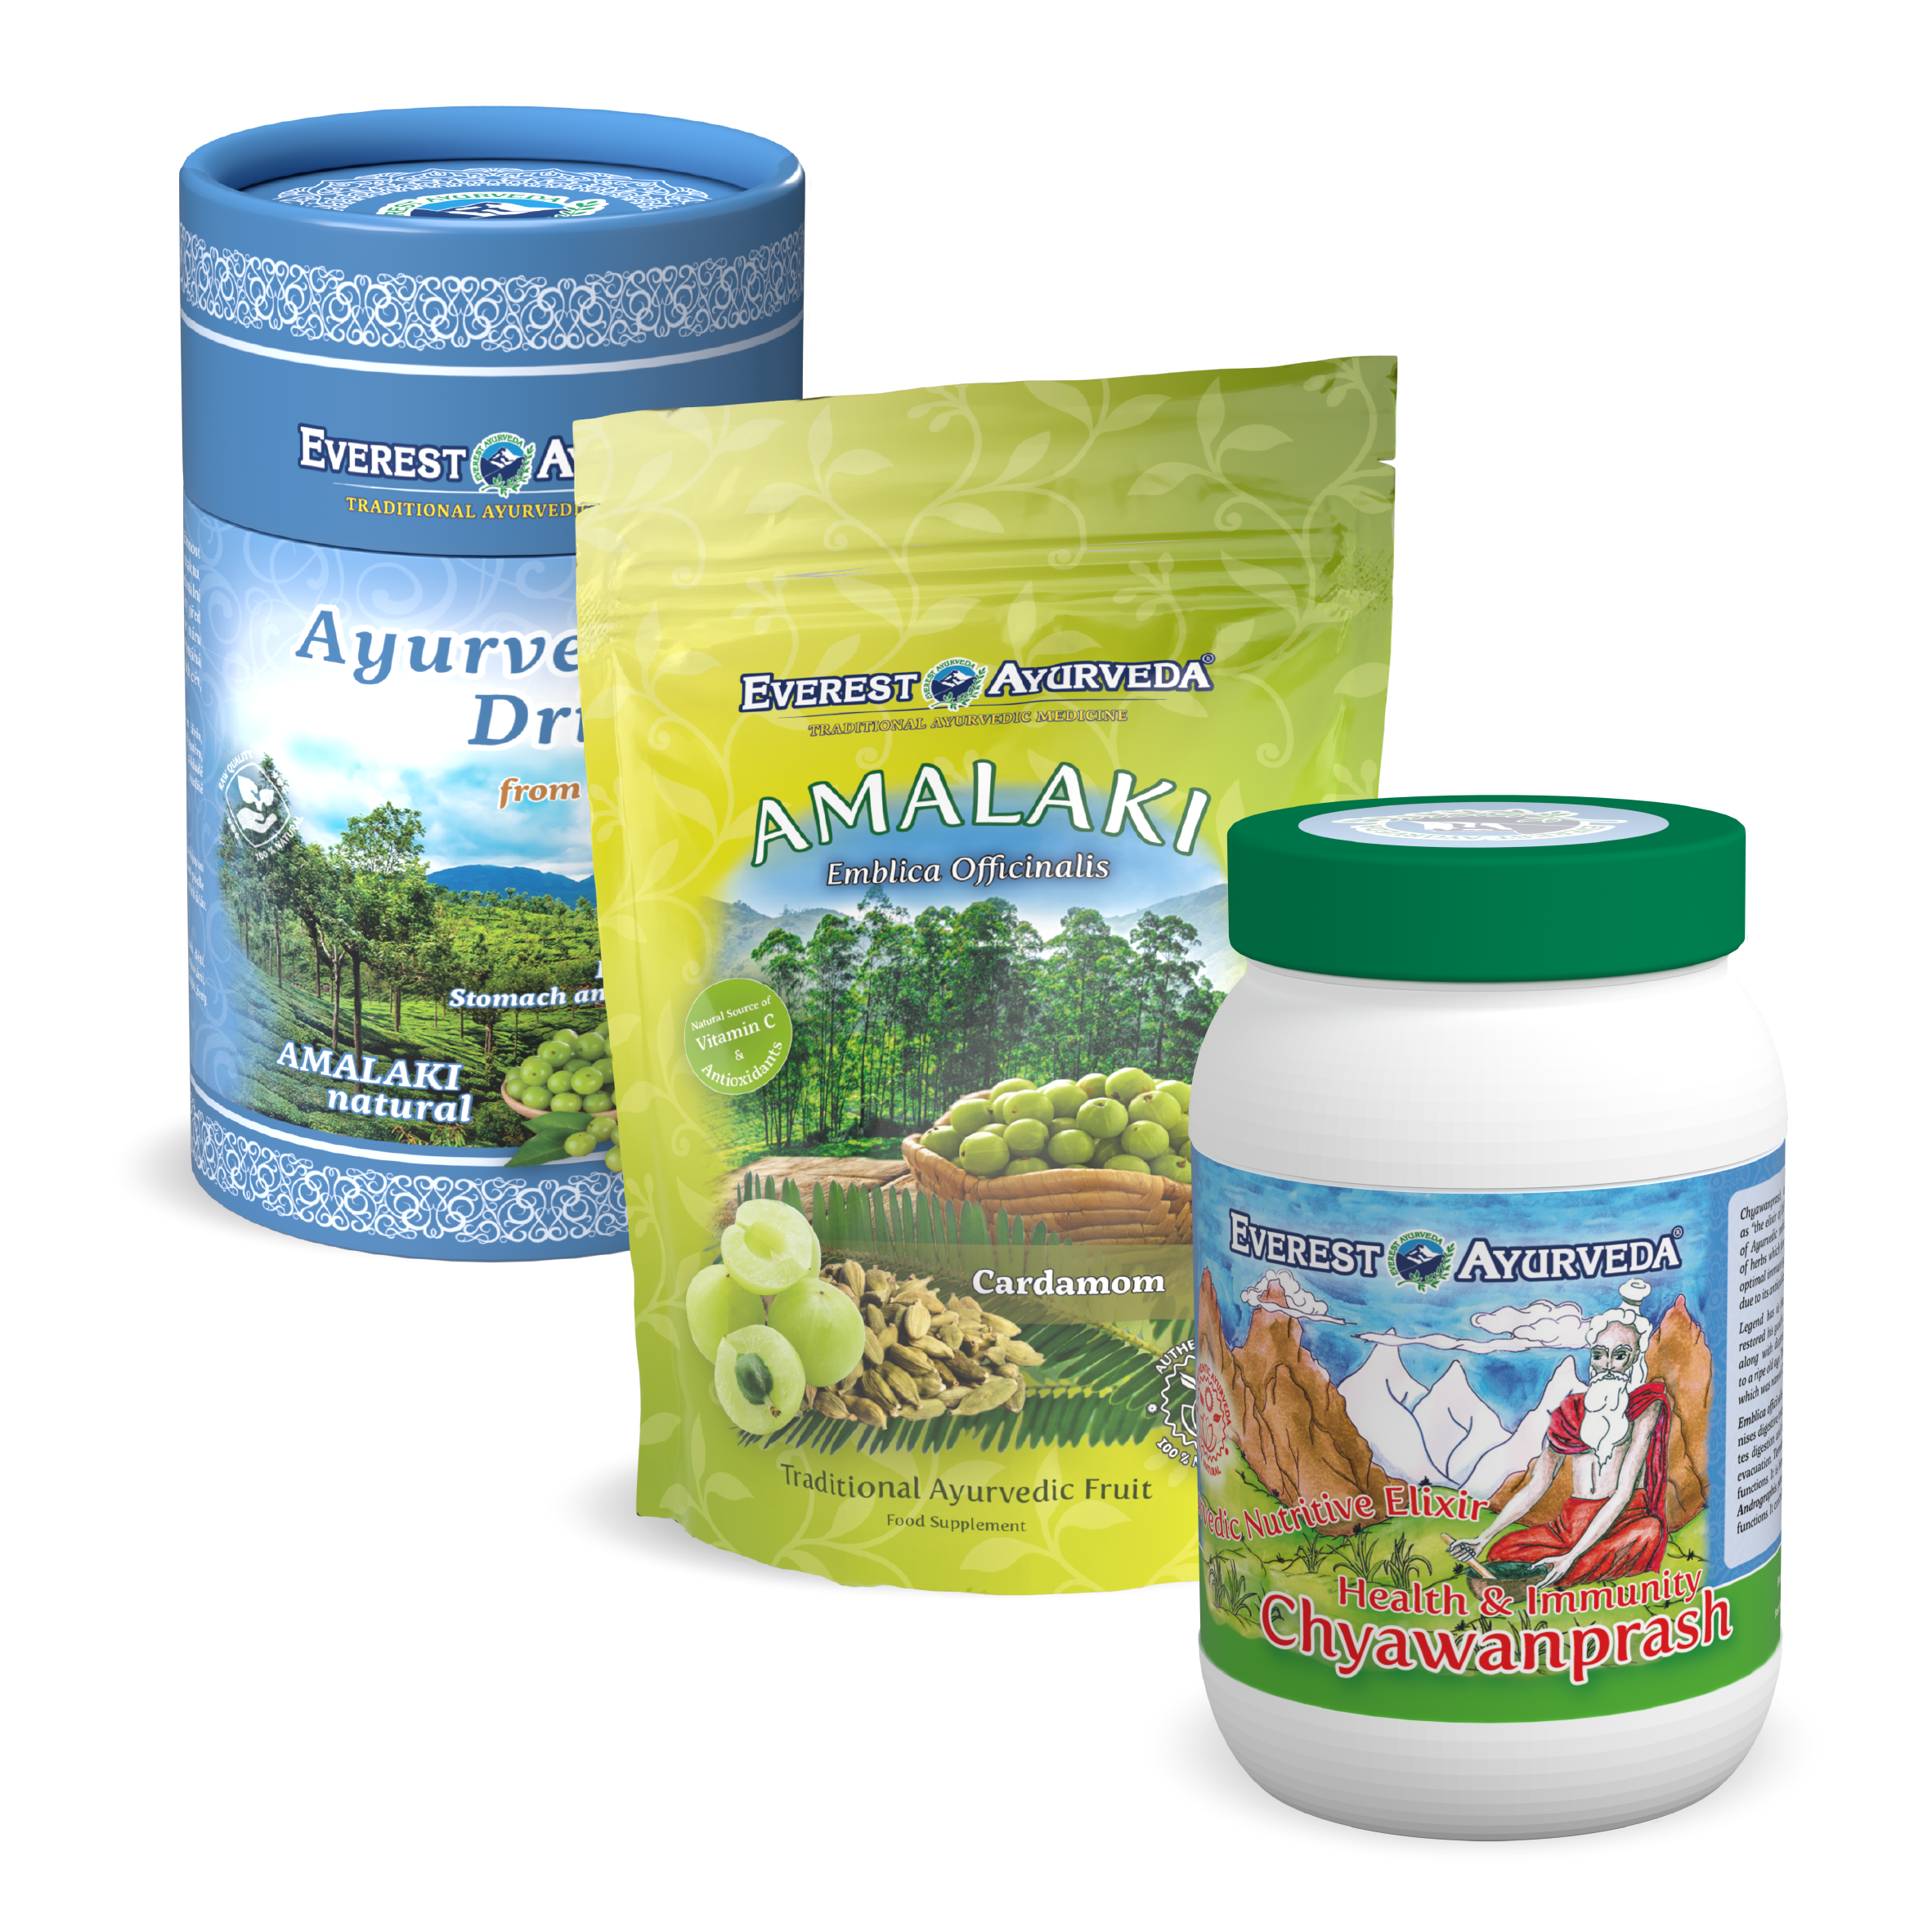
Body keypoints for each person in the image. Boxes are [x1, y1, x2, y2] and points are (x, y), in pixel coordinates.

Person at [1447, 1281, 1670, 1585]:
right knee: (1502, 1550)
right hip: (1569, 1524)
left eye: (1620, 1355)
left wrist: (1571, 1556)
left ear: (1634, 1360)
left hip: (1621, 1519)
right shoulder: (1571, 1411)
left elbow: (1622, 1494)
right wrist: (1482, 1539)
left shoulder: (1645, 1407)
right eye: (1599, 1355)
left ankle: (1565, 1568)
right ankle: (1560, 1569)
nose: (1607, 1365)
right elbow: (1537, 1485)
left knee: (1648, 1532)